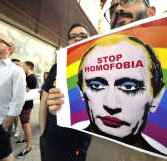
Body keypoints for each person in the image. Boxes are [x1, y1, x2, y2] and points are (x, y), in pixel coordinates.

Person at [77, 34, 165, 155]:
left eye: (129, 87)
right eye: (96, 86)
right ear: (81, 92)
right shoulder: (74, 140)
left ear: (156, 98)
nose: (111, 105)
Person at [39, 23, 92, 161]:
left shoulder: (96, 67)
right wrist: (43, 134)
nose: (77, 39)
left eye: (82, 36)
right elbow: (44, 101)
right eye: (73, 36)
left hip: (78, 141)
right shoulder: (57, 67)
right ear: (68, 42)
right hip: (51, 139)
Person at [0, 33, 26, 161]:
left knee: (3, 158)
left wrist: (4, 125)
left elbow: (18, 101)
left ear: (9, 48)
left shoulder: (15, 71)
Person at [17, 61, 38, 157]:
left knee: (26, 124)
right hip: (24, 104)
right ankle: (26, 139)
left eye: (24, 66)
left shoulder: (31, 78)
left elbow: (27, 91)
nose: (22, 67)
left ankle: (29, 146)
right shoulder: (28, 77)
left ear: (28, 67)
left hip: (27, 105)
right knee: (24, 123)